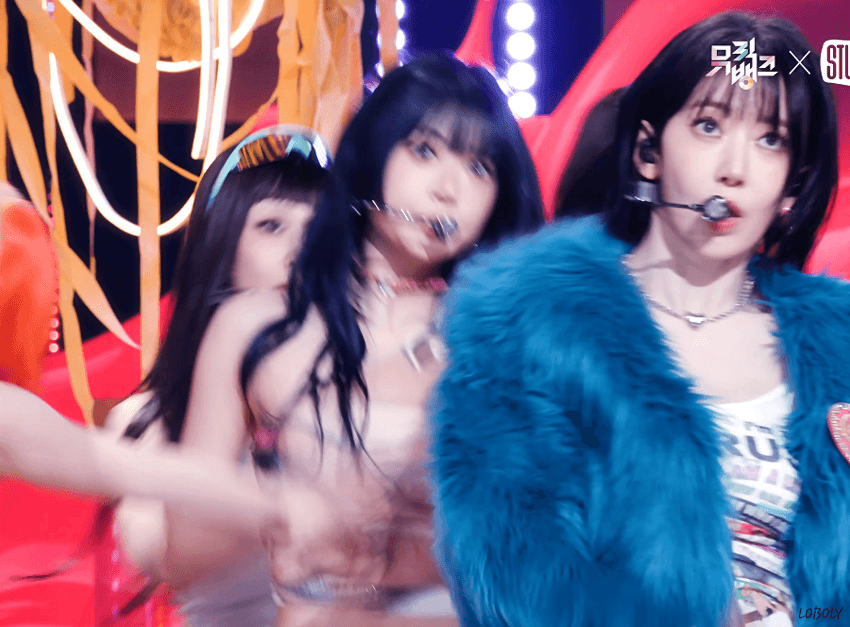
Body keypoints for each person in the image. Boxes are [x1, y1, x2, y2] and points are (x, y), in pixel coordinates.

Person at [432, 12, 845, 627]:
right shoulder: (528, 326)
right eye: (709, 126)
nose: (735, 168)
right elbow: (509, 573)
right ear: (649, 151)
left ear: (793, 186)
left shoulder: (839, 347)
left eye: (771, 140)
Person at [191, 54, 544, 626]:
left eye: (480, 168)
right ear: (372, 153)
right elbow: (186, 549)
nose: (449, 190)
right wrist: (274, 504)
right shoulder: (254, 326)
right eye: (424, 151)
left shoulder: (505, 343)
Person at [105, 125, 330, 627]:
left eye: (319, 231)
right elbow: (161, 560)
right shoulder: (145, 422)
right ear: (222, 247)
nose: (299, 252)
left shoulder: (369, 393)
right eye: (271, 226)